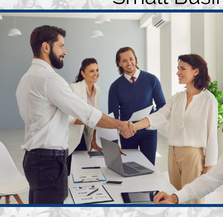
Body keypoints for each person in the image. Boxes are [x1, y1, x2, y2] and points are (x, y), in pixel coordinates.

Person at [17, 25, 136, 204]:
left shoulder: (27, 78)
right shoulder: (50, 79)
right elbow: (87, 113)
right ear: (46, 47)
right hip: (48, 163)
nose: (65, 51)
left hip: (34, 159)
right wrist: (121, 125)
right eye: (61, 46)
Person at [132, 54, 218, 204]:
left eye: (182, 68)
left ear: (196, 71)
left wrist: (209, 165)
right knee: (175, 197)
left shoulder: (208, 99)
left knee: (192, 200)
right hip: (173, 152)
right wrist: (133, 126)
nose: (178, 72)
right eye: (178, 68)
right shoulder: (178, 97)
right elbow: (160, 116)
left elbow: (212, 135)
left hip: (193, 155)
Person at [108, 46, 166, 165]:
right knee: (130, 167)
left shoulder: (152, 80)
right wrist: (114, 143)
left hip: (149, 132)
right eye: (124, 61)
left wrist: (151, 121)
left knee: (149, 167)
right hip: (127, 134)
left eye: (131, 59)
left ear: (135, 59)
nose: (129, 63)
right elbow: (113, 117)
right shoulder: (115, 87)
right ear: (119, 63)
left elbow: (162, 106)